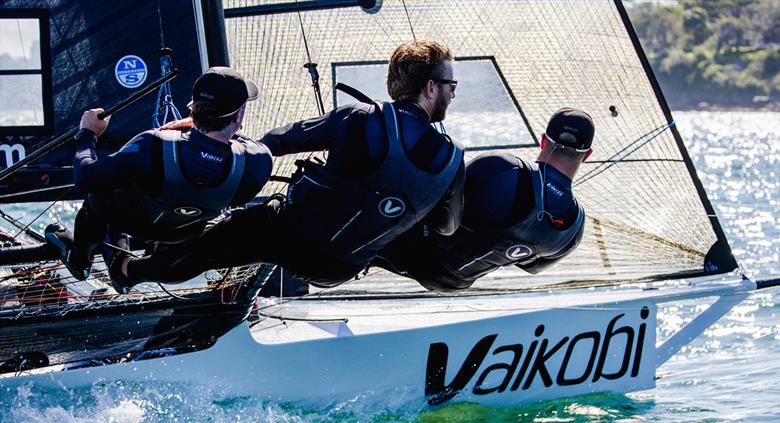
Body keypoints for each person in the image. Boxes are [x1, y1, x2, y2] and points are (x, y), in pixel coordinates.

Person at [113, 40, 465, 292]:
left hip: (288, 237)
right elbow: (445, 229)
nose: (453, 92)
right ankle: (239, 291)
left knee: (210, 246)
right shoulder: (453, 158)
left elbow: (278, 141)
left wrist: (211, 146)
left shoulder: (357, 119)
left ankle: (129, 271)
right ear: (431, 88)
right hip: (339, 269)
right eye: (451, 84)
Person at [46, 67, 273, 292]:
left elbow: (84, 179)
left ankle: (79, 259)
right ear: (239, 114)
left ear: (193, 107)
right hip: (181, 234)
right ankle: (125, 264)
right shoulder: (259, 162)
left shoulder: (153, 144)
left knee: (101, 184)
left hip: (129, 222)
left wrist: (87, 134)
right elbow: (237, 145)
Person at [374, 107, 593, 291]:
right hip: (453, 282)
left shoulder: (504, 169)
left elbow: (438, 192)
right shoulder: (575, 229)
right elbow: (531, 267)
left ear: (543, 141)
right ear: (587, 155)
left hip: (412, 253)